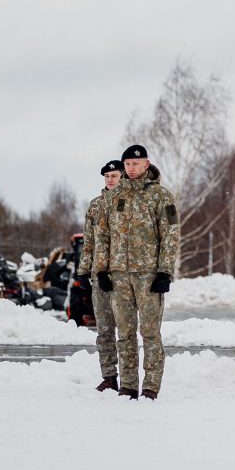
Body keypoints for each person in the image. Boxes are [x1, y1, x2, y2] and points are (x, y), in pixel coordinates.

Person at [95, 145, 178, 400]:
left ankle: (151, 386)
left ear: (146, 164)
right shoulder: (113, 197)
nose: (131, 168)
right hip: (119, 275)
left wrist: (165, 271)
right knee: (125, 333)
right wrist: (102, 269)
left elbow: (171, 235)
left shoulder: (161, 196)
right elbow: (103, 235)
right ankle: (128, 385)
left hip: (149, 275)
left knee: (150, 333)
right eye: (127, 164)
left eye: (135, 163)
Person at [76, 159, 124, 392]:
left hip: (125, 274)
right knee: (104, 330)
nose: (110, 179)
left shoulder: (131, 203)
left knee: (126, 329)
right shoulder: (95, 206)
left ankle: (129, 378)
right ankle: (109, 376)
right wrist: (84, 271)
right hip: (99, 275)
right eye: (107, 176)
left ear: (123, 176)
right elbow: (89, 241)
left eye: (114, 176)